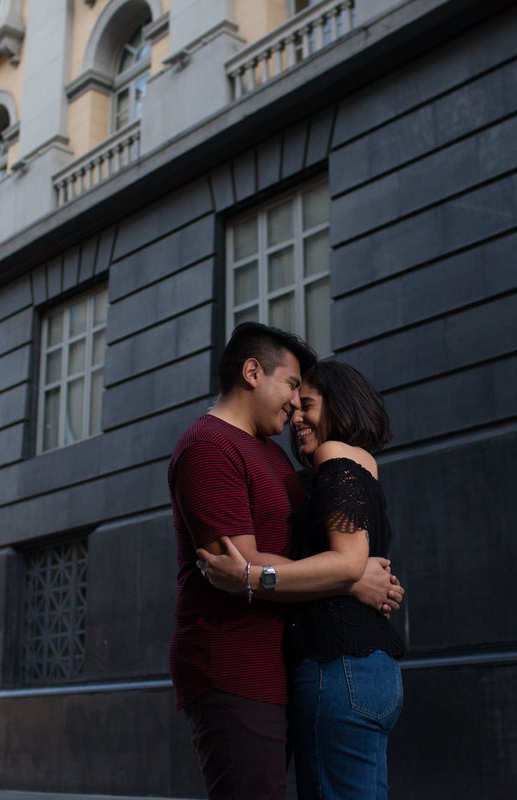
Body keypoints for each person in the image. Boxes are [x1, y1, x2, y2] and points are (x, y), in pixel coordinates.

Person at [169, 323, 401, 800]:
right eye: (293, 385)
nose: (296, 403)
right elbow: (239, 563)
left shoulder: (273, 456)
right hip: (233, 662)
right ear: (253, 372)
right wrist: (349, 578)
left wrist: (346, 565)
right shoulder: (209, 446)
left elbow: (316, 547)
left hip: (286, 662)